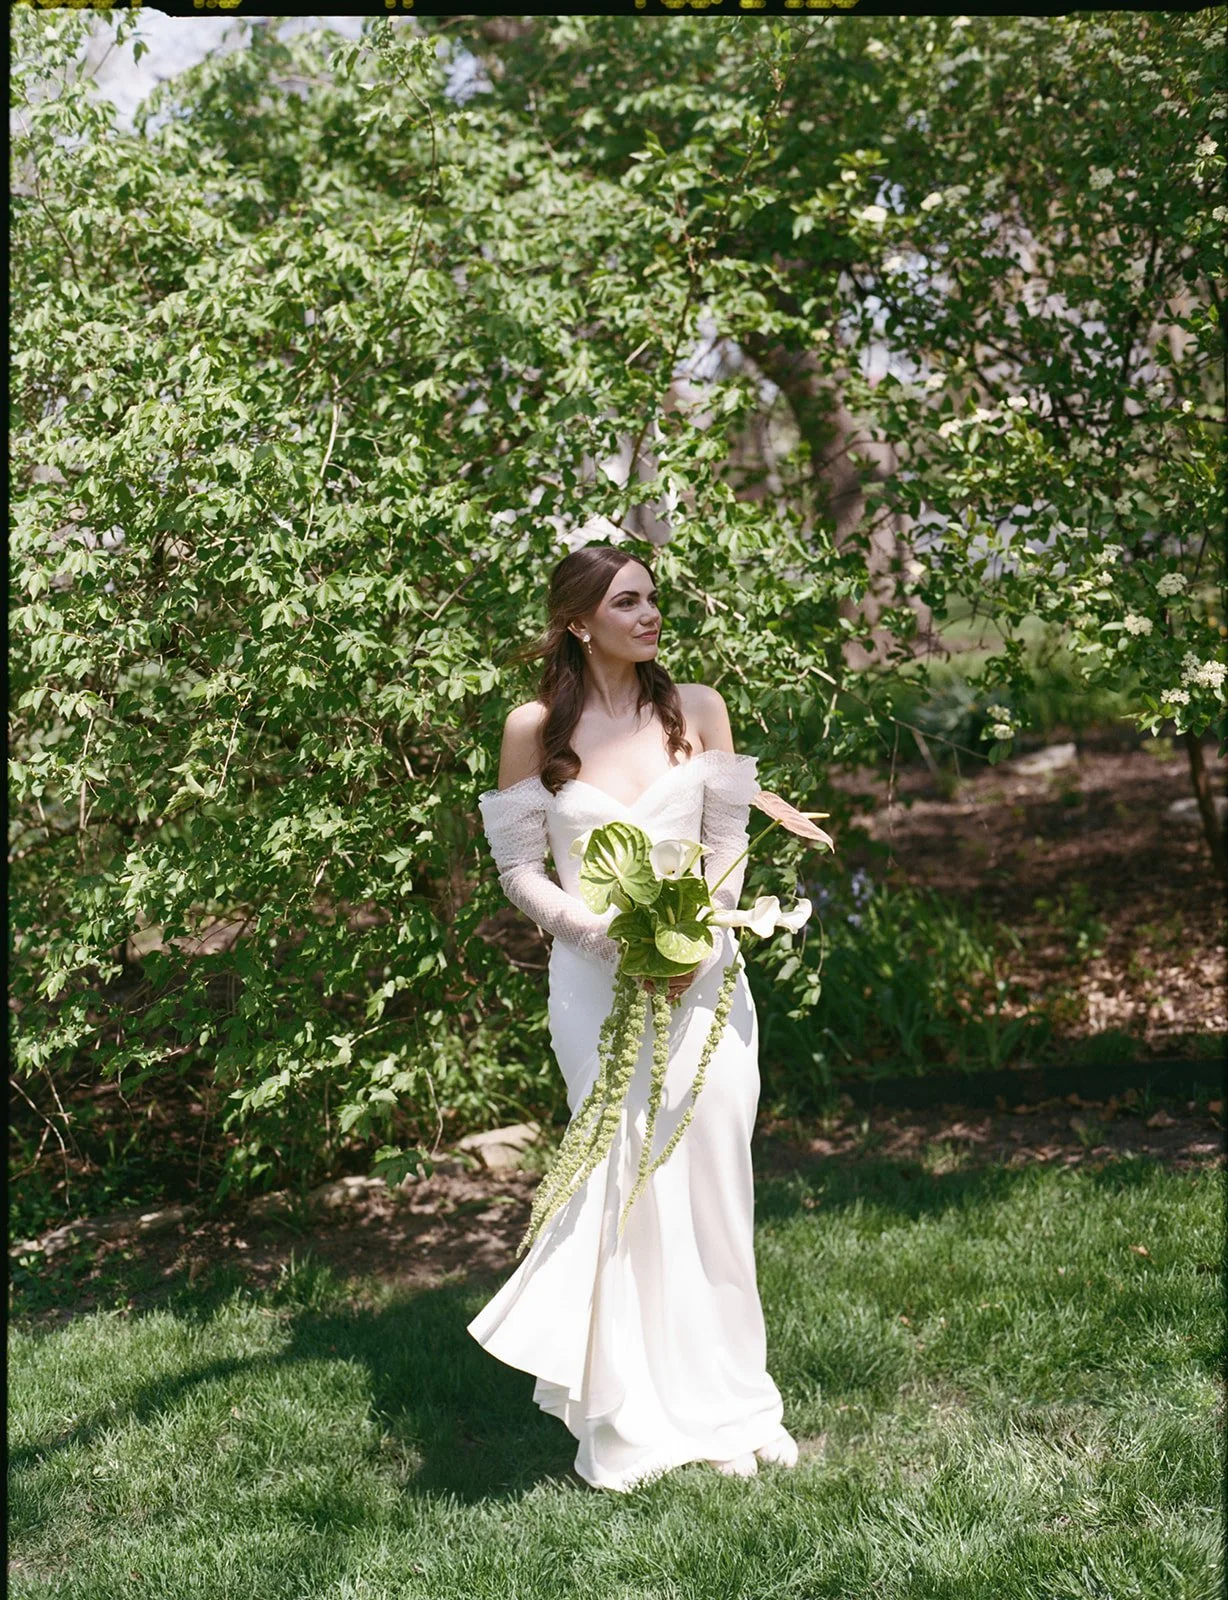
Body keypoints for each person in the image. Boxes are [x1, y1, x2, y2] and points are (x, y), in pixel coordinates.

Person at [469, 541, 798, 1492]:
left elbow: (728, 845)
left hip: (705, 977)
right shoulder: (534, 726)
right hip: (593, 980)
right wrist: (608, 939)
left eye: (652, 598)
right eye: (627, 602)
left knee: (717, 1188)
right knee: (629, 1186)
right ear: (579, 621)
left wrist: (696, 934)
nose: (650, 615)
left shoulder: (698, 709)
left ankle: (737, 1403)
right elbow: (520, 868)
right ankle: (637, 1418)